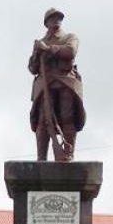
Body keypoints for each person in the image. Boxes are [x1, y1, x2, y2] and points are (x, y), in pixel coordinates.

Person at [29, 8, 86, 161]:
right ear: (46, 23)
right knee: (43, 120)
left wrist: (47, 49)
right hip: (45, 84)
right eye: (53, 18)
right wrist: (36, 54)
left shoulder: (70, 37)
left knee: (67, 116)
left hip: (65, 81)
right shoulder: (41, 42)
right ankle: (41, 158)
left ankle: (67, 154)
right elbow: (32, 68)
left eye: (59, 18)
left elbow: (71, 51)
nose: (57, 20)